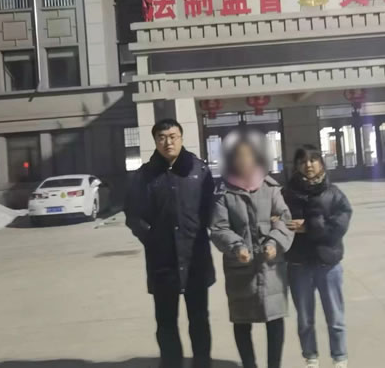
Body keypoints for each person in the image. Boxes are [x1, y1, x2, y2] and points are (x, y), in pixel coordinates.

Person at [125, 118, 215, 368]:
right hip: (162, 262)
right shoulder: (144, 175)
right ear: (155, 141)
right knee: (166, 322)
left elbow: (212, 209)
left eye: (173, 136)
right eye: (162, 138)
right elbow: (133, 214)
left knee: (199, 320)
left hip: (195, 258)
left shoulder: (199, 171)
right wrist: (152, 238)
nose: (168, 142)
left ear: (181, 138)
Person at [211, 130, 294, 368]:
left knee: (275, 319)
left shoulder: (270, 187)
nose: (244, 161)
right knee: (241, 320)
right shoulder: (224, 192)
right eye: (239, 156)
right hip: (241, 266)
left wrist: (274, 242)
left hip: (271, 265)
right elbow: (218, 227)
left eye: (248, 155)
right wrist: (236, 246)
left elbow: (284, 220)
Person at [283, 145, 352, 368]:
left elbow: (339, 226)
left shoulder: (334, 193)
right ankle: (310, 357)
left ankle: (339, 357)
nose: (308, 165)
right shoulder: (287, 194)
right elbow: (278, 221)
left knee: (335, 316)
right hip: (298, 263)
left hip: (327, 263)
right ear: (296, 165)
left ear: (321, 163)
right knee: (305, 319)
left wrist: (309, 227)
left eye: (313, 160)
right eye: (303, 161)